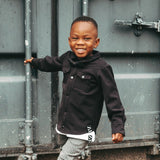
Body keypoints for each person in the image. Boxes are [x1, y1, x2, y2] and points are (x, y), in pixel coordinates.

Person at [24, 16, 126, 160]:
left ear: (96, 42)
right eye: (75, 38)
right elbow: (52, 63)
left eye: (86, 39)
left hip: (85, 129)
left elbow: (113, 99)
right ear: (69, 40)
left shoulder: (101, 68)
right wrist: (35, 62)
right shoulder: (67, 58)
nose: (80, 43)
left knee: (65, 158)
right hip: (65, 124)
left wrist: (118, 127)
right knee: (71, 156)